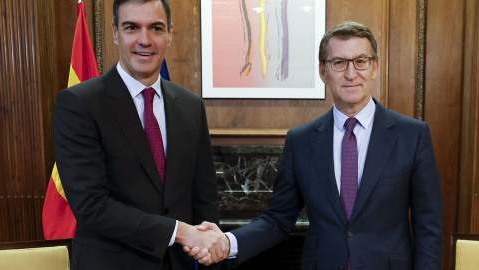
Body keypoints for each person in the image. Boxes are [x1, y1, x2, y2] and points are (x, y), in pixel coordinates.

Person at [188, 22, 444, 269]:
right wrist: (228, 241)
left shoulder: (412, 135)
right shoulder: (301, 141)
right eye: (339, 63)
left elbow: (429, 227)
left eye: (360, 61)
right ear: (323, 72)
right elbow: (278, 219)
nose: (351, 73)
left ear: (375, 67)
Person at [53, 0, 227, 269]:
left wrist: (209, 245)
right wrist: (180, 232)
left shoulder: (191, 105)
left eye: (156, 28)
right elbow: (91, 206)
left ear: (169, 33)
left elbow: (203, 198)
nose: (144, 40)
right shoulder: (79, 103)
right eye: (132, 27)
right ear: (115, 32)